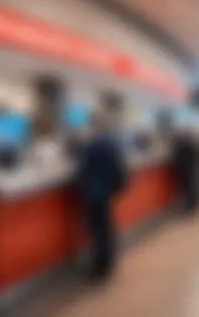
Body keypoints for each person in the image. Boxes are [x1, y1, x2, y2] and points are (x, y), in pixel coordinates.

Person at [77, 111, 126, 280]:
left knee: (97, 230)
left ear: (94, 124)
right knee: (106, 228)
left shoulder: (92, 144)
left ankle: (99, 266)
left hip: (93, 192)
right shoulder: (112, 142)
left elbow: (83, 168)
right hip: (106, 191)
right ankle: (108, 262)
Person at [172, 128, 199, 214]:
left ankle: (190, 204)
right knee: (190, 185)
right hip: (189, 167)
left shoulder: (181, 144)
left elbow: (177, 156)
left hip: (184, 168)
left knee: (187, 186)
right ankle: (192, 204)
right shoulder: (190, 143)